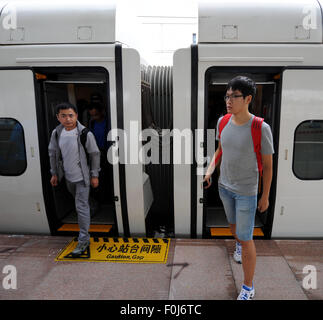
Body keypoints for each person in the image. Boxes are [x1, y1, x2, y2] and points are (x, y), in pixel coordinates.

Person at [203, 76, 274, 300]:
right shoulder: (223, 121)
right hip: (225, 187)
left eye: (234, 96)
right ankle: (239, 244)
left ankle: (248, 287)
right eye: (227, 95)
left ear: (248, 99)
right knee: (234, 229)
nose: (229, 100)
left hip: (246, 192)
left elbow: (269, 166)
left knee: (246, 237)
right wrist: (210, 169)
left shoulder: (260, 127)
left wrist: (265, 196)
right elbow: (220, 148)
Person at [48, 102, 100, 257]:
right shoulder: (56, 133)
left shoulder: (85, 133)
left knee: (80, 206)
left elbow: (95, 154)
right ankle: (94, 206)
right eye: (63, 116)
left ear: (76, 116)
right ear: (58, 117)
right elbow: (53, 154)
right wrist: (54, 173)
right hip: (68, 177)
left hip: (83, 177)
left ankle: (83, 239)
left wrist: (94, 175)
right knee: (80, 202)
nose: (68, 119)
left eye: (71, 115)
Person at [87, 102, 111, 206]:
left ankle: (108, 198)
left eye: (95, 114)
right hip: (96, 154)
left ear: (102, 112)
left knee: (107, 177)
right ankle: (101, 200)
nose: (94, 117)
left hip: (107, 153)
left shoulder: (108, 123)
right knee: (98, 177)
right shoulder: (92, 123)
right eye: (91, 115)